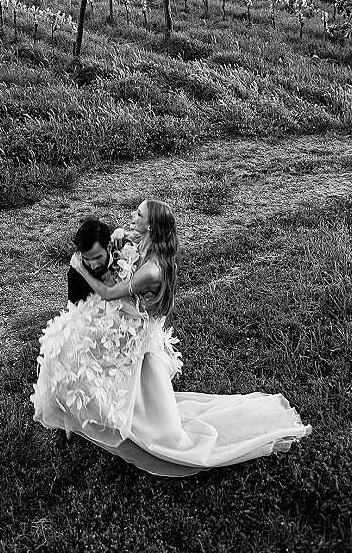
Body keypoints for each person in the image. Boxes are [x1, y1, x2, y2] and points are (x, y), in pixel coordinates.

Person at [31, 199, 311, 477]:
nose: (133, 216)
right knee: (66, 344)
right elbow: (125, 239)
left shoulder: (152, 269)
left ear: (151, 225)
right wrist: (117, 233)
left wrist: (81, 269)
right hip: (126, 315)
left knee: (74, 350)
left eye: (139, 214)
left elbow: (109, 293)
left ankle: (90, 411)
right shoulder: (144, 242)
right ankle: (75, 413)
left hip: (131, 326)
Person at [67, 217, 112, 305]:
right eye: (87, 259)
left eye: (97, 257)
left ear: (109, 247)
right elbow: (76, 310)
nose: (93, 266)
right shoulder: (76, 274)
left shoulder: (123, 252)